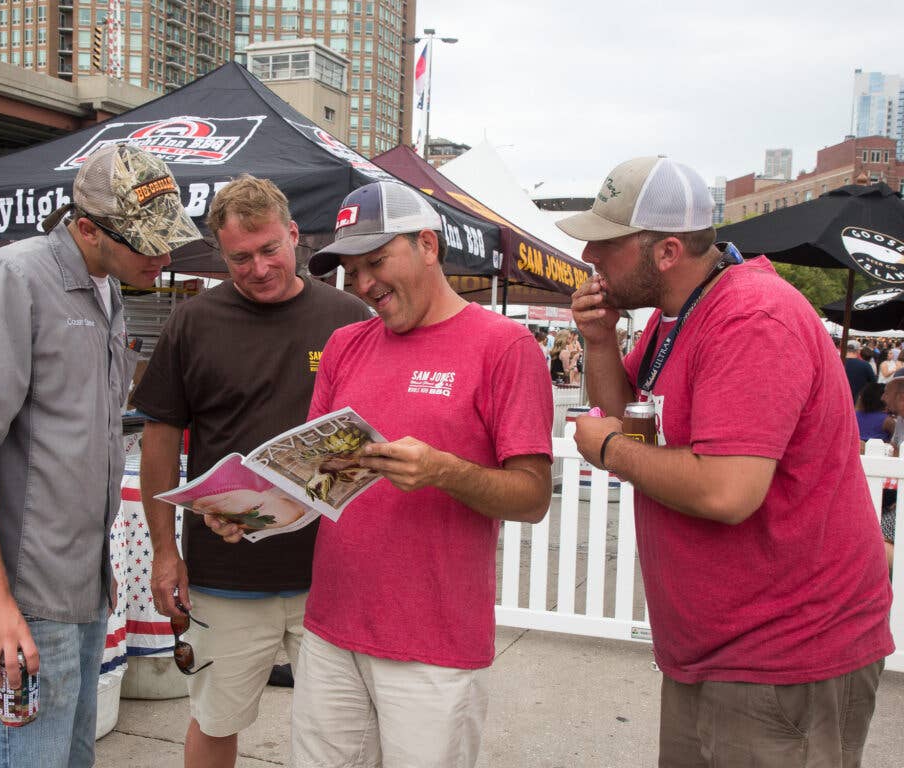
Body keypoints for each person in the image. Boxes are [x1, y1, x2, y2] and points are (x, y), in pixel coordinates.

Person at [561, 156, 894, 768]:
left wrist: (607, 450)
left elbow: (727, 491)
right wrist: (602, 340)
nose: (588, 256)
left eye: (606, 244)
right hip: (717, 648)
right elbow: (634, 419)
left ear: (664, 252)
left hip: (784, 653)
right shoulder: (677, 316)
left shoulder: (751, 317)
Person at [247, 180, 553, 768]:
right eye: (352, 269)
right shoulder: (344, 346)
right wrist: (250, 511)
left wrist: (444, 471)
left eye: (377, 261)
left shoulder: (505, 346)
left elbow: (533, 496)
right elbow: (318, 480)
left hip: (433, 645)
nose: (364, 285)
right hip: (333, 629)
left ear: (428, 246)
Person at [0, 143, 202, 768]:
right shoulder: (13, 279)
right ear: (85, 228)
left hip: (77, 590)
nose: (163, 255)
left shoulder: (106, 289)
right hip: (20, 596)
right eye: (145, 242)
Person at [131, 174, 370, 768]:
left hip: (333, 571)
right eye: (240, 257)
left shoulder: (349, 317)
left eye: (269, 250)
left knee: (344, 733)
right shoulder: (194, 321)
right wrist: (165, 553)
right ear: (221, 253)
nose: (259, 268)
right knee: (215, 719)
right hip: (225, 574)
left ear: (294, 236)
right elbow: (159, 437)